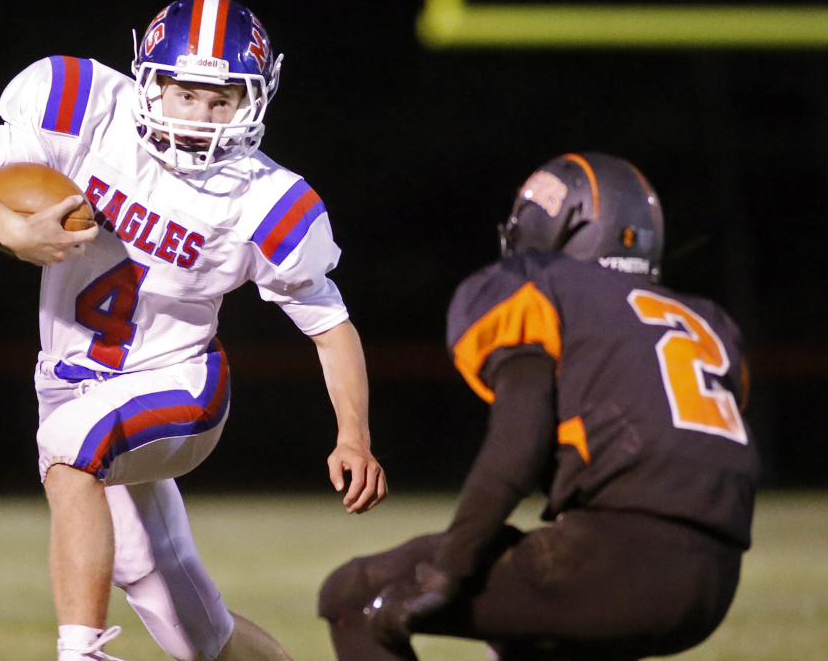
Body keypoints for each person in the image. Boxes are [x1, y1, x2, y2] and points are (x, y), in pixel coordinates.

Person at [0, 0, 387, 661]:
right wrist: (8, 227)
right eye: (184, 95)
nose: (200, 118)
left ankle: (81, 653)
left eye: (222, 100)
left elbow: (330, 325)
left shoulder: (264, 197)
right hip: (74, 380)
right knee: (195, 631)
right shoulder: (89, 115)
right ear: (147, 82)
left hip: (181, 385)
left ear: (255, 102)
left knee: (70, 446)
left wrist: (354, 436)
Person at [318, 152, 761, 661]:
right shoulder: (708, 324)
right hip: (716, 578)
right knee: (523, 631)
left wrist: (449, 568)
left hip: (618, 560)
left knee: (353, 596)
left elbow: (518, 440)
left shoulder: (551, 292)